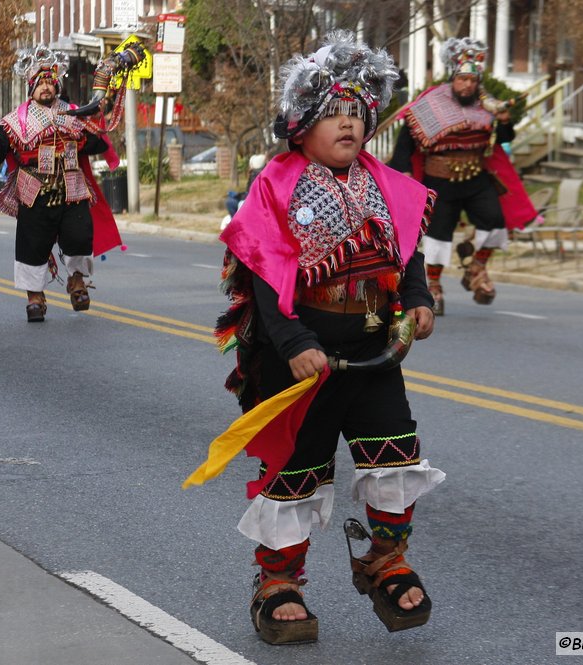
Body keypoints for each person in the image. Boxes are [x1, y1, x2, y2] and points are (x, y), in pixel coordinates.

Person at [210, 31, 444, 645]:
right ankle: (278, 583)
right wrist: (290, 343)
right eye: (332, 113)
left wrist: (416, 299)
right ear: (301, 127)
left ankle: (385, 562)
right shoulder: (276, 185)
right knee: (295, 474)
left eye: (356, 113)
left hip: (374, 354)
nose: (348, 123)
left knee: (395, 457)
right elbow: (262, 273)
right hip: (303, 364)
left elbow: (407, 249)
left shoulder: (384, 183)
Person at [0, 44, 122, 322]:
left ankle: (77, 280)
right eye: (40, 84)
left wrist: (85, 134)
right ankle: (35, 296)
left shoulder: (74, 114)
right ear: (31, 89)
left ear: (57, 87)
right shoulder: (15, 121)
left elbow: (96, 143)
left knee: (80, 236)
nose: (45, 88)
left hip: (72, 186)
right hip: (34, 189)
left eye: (49, 83)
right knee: (32, 243)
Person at [389, 37, 532, 315]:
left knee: (495, 222)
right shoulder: (431, 102)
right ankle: (434, 285)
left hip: (476, 177)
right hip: (439, 180)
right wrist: (404, 173)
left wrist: (504, 121)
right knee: (438, 236)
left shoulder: (486, 105)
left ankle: (476, 269)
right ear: (453, 77)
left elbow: (503, 138)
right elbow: (406, 140)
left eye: (472, 79)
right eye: (463, 78)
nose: (468, 84)